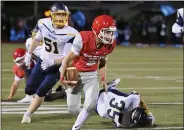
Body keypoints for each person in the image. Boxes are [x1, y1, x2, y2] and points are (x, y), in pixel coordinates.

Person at [21, 3, 78, 123]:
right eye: (59, 15)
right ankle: (33, 97)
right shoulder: (43, 23)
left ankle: (27, 114)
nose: (61, 18)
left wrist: (52, 62)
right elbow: (36, 40)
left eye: (64, 15)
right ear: (52, 15)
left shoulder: (71, 33)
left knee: (41, 91)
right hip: (42, 61)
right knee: (29, 89)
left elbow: (67, 57)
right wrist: (29, 54)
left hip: (57, 67)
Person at [60, 15, 117, 130]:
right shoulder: (82, 38)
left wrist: (103, 80)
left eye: (111, 32)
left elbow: (102, 62)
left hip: (91, 74)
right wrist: (62, 76)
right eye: (106, 32)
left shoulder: (110, 44)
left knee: (90, 103)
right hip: (76, 73)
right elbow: (67, 59)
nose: (109, 36)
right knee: (73, 109)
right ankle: (70, 94)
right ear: (97, 30)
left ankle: (76, 127)